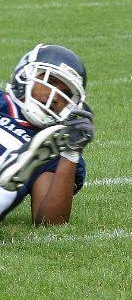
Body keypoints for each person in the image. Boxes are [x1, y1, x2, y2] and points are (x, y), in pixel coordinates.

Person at [0, 44, 95, 226]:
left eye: (66, 93)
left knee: (5, 189)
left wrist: (70, 153)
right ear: (26, 76)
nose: (56, 96)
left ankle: (6, 182)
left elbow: (49, 221)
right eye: (50, 82)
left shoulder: (52, 145)